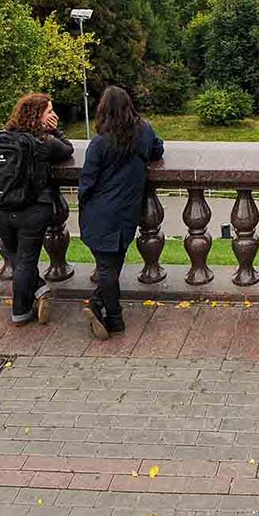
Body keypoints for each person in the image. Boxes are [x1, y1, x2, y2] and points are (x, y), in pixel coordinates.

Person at [77, 86, 165, 340]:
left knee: (106, 266)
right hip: (127, 211)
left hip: (100, 212)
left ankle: (114, 319)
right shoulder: (144, 131)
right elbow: (157, 150)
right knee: (113, 263)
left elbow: (87, 183)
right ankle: (97, 306)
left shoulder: (100, 142)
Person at [0, 93, 73, 326]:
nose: (53, 115)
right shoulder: (44, 142)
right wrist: (55, 130)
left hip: (0, 209)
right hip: (32, 210)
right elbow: (68, 149)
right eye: (49, 112)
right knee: (25, 260)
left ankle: (38, 291)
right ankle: (21, 311)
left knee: (14, 255)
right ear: (38, 116)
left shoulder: (3, 138)